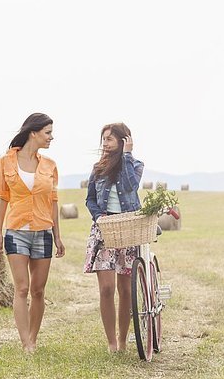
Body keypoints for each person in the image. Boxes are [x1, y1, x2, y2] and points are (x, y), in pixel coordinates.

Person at [0, 113, 65, 353]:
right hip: (16, 232)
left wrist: (57, 236)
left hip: (43, 232)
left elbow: (53, 201)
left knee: (38, 290)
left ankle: (33, 337)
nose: (51, 137)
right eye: (48, 132)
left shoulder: (50, 165)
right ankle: (26, 343)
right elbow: (3, 198)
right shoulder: (5, 161)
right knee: (22, 288)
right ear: (33, 133)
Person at [83, 122, 144, 352]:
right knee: (106, 289)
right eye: (104, 139)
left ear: (123, 140)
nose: (105, 144)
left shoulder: (136, 165)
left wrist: (127, 155)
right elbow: (89, 199)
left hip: (127, 230)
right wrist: (98, 216)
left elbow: (130, 186)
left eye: (109, 139)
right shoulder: (98, 167)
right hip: (104, 231)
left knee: (126, 290)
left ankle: (123, 340)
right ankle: (110, 343)